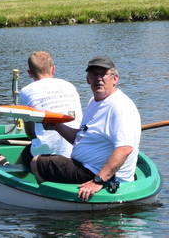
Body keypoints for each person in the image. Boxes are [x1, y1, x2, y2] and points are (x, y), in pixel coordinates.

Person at [31, 55, 142, 201]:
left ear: (115, 78)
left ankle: (55, 201)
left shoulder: (119, 107)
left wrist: (98, 181)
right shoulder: (94, 101)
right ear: (88, 79)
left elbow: (124, 149)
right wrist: (58, 127)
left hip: (104, 177)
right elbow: (82, 136)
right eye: (93, 74)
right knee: (35, 156)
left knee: (38, 162)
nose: (98, 79)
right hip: (86, 167)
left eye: (103, 74)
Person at [14, 51, 83, 167]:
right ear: (53, 69)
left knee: (26, 154)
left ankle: (9, 171)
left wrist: (35, 141)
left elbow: (30, 131)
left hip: (47, 155)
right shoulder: (69, 86)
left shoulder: (27, 91)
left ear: (30, 73)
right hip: (77, 148)